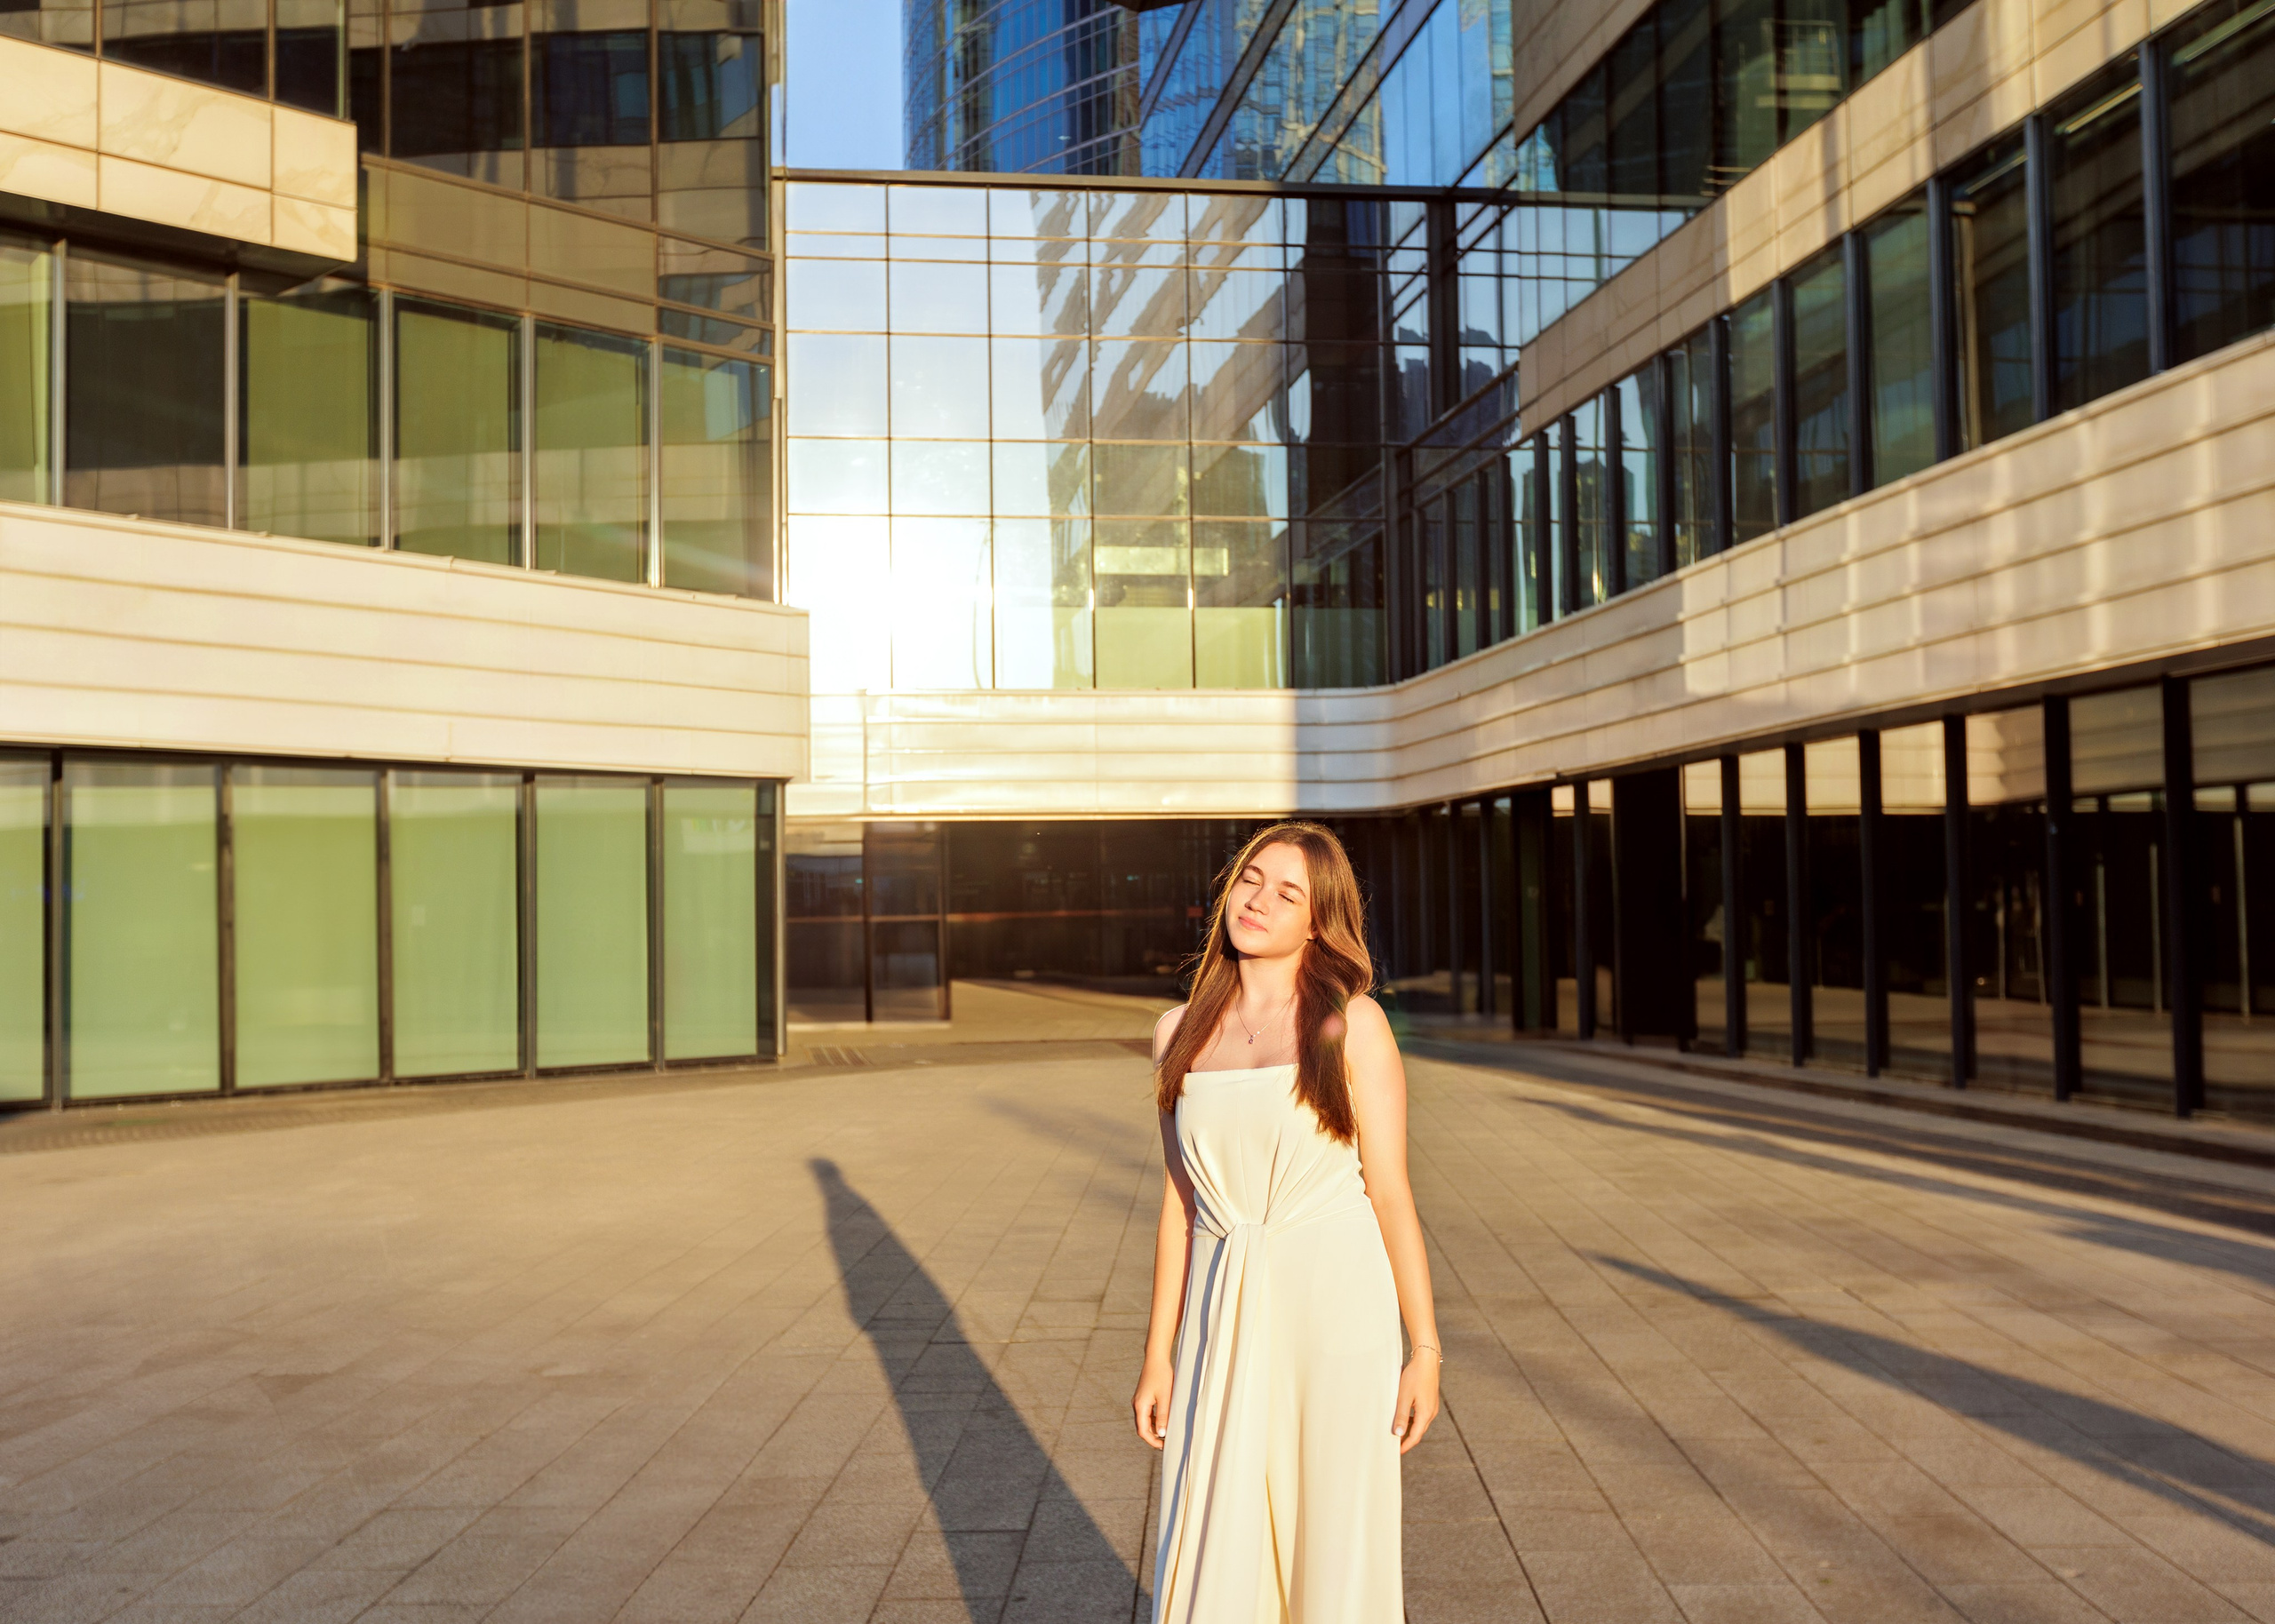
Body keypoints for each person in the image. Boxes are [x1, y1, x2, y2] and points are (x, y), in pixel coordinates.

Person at [1130, 822, 1441, 1623]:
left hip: (1335, 1314)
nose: (1259, 900)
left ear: (1319, 921)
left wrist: (1426, 1350)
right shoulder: (1178, 1033)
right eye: (1250, 879)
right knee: (1215, 1533)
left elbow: (1391, 1192)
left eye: (1288, 892)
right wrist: (1157, 1355)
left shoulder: (1354, 1023)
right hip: (1220, 1315)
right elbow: (1181, 1203)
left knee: (1331, 1539)